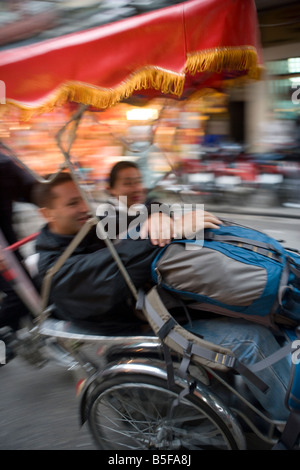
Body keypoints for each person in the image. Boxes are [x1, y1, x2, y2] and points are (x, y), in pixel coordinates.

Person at [32, 170, 291, 421]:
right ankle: (289, 421)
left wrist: (157, 218)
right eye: (72, 203)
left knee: (260, 310)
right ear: (47, 213)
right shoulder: (56, 268)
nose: (83, 208)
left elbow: (140, 217)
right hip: (140, 321)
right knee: (250, 340)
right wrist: (167, 230)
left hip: (164, 301)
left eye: (83, 198)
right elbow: (113, 267)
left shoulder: (92, 225)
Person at [0, 152, 36, 332]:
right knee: (21, 296)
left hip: (8, 250)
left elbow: (32, 189)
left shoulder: (4, 164)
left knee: (30, 294)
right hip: (5, 255)